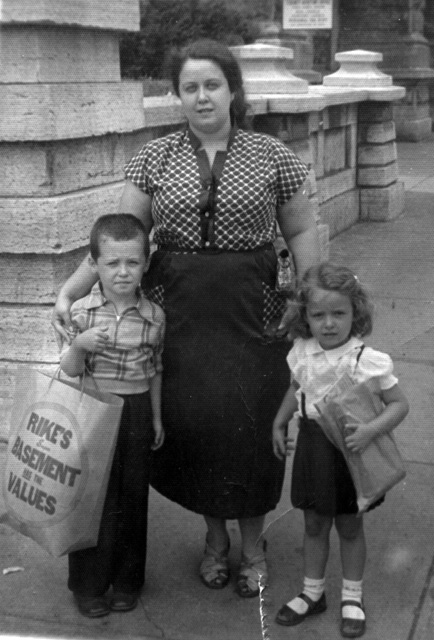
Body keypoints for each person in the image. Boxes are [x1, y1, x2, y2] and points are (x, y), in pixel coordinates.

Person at [52, 38, 320, 598]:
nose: (202, 96)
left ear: (232, 89)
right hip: (178, 317)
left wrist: (312, 305)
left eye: (212, 84)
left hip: (255, 314)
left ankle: (253, 547)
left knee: (249, 430)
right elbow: (122, 237)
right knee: (196, 429)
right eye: (190, 87)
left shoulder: (274, 157)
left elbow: (301, 233)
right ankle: (215, 542)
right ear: (177, 95)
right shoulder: (153, 157)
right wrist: (70, 291)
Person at [272, 262, 409, 638]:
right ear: (306, 317)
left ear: (355, 313)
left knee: (349, 524)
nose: (329, 323)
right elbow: (295, 388)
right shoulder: (302, 351)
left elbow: (399, 404)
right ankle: (312, 592)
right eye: (318, 315)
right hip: (314, 447)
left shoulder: (367, 360)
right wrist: (279, 422)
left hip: (350, 450)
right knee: (314, 521)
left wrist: (370, 430)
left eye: (339, 313)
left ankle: (352, 596)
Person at [59, 214, 165, 618]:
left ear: (146, 263)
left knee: (133, 497)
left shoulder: (154, 316)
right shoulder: (83, 313)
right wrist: (80, 345)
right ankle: (88, 585)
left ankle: (127, 581)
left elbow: (156, 369)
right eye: (112, 263)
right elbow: (69, 370)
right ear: (95, 264)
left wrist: (156, 418)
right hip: (94, 413)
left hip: (136, 412)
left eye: (132, 263)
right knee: (91, 499)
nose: (123, 272)